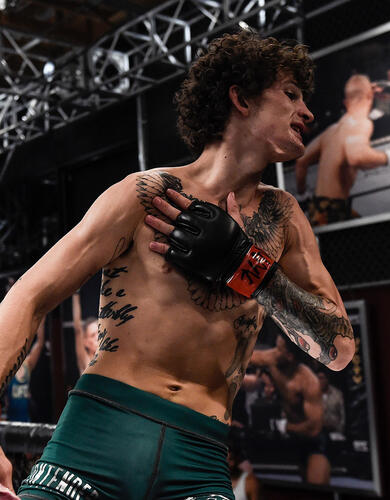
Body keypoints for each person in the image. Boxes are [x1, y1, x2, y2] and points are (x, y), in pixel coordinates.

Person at [0, 30, 354, 500]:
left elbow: (340, 348)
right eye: (290, 94)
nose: (307, 111)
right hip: (93, 439)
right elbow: (27, 295)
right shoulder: (146, 194)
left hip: (198, 458)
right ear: (240, 98)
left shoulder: (284, 219)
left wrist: (247, 267)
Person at [295, 74, 389, 226]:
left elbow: (301, 161)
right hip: (332, 211)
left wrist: (302, 194)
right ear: (369, 96)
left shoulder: (332, 130)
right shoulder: (361, 122)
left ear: (346, 102)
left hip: (319, 208)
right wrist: (387, 156)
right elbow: (356, 156)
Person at [249, 335, 330, 484]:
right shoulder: (273, 359)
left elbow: (314, 428)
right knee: (303, 482)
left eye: (279, 349)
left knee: (316, 487)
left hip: (314, 441)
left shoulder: (308, 382)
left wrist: (286, 427)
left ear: (290, 356)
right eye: (276, 345)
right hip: (293, 437)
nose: (274, 351)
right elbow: (245, 355)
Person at [6, 316, 45, 422]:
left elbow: (40, 343)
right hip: (9, 423)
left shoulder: (27, 363)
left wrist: (43, 314)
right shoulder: (5, 365)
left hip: (27, 420)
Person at [72, 292, 98, 374]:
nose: (98, 337)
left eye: (99, 332)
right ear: (86, 342)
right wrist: (76, 293)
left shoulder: (108, 360)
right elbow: (78, 330)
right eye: (93, 335)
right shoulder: (85, 360)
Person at [317, 370, 345, 436]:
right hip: (318, 433)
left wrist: (340, 431)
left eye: (321, 378)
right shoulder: (313, 394)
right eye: (317, 378)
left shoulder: (337, 394)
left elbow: (343, 415)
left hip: (335, 431)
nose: (319, 381)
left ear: (327, 379)